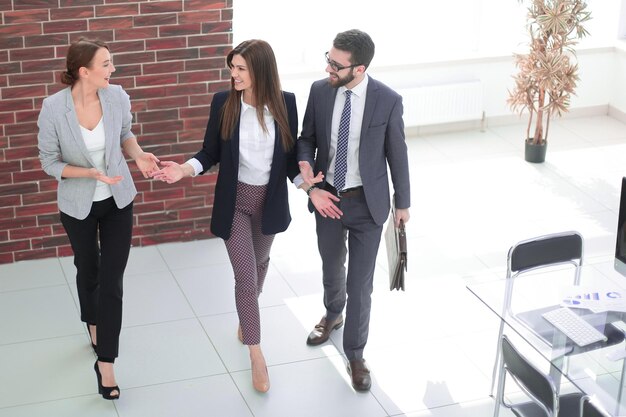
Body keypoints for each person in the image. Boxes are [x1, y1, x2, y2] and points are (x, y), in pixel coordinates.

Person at [151, 39, 306, 393]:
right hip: (234, 201)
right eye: (231, 67)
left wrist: (307, 186)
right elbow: (209, 152)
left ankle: (247, 314)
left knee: (261, 263)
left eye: (240, 69)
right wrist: (184, 170)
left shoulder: (286, 104)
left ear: (260, 71)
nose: (232, 75)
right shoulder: (224, 103)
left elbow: (288, 161)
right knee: (245, 275)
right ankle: (256, 352)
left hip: (269, 202)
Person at [37, 38, 159, 400]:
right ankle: (91, 321)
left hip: (118, 199)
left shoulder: (117, 96)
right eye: (105, 64)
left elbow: (125, 136)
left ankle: (106, 363)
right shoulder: (53, 108)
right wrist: (89, 175)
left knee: (112, 280)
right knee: (88, 269)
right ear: (83, 71)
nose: (113, 69)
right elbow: (49, 162)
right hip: (78, 206)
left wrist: (137, 156)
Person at [297, 29, 411, 392]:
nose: (328, 67)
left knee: (361, 284)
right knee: (331, 263)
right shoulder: (319, 91)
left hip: (368, 202)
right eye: (328, 59)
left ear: (358, 69)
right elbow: (307, 138)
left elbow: (398, 153)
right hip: (328, 196)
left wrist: (403, 203)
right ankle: (333, 313)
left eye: (336, 64)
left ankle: (356, 354)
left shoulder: (387, 100)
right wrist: (304, 164)